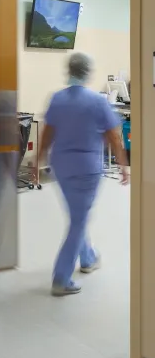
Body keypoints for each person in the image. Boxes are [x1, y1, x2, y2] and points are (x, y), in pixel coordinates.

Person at [33, 52, 129, 297]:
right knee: (79, 220)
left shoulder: (57, 99)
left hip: (62, 169)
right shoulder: (97, 101)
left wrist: (38, 160)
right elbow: (115, 136)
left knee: (77, 215)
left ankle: (88, 258)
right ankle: (61, 279)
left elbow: (47, 133)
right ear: (88, 72)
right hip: (86, 170)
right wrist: (123, 165)